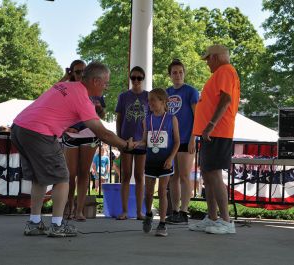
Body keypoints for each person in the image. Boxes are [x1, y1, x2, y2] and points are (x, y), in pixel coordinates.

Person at [11, 62, 139, 237]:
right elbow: (103, 133)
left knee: (38, 179)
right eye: (105, 82)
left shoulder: (65, 85)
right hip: (39, 133)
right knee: (62, 178)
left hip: (19, 128)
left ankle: (34, 223)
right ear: (95, 81)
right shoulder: (82, 98)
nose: (107, 87)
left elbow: (48, 107)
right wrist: (125, 145)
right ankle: (56, 226)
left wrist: (62, 126)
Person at [189, 44, 239, 235]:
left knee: (214, 175)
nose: (207, 62)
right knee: (208, 175)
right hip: (211, 133)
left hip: (217, 131)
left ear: (216, 57)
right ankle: (212, 217)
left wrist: (210, 125)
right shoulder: (221, 72)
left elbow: (226, 100)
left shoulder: (225, 70)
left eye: (208, 58)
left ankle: (226, 221)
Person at [59, 60, 104, 222]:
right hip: (71, 136)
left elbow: (101, 115)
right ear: (71, 73)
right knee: (70, 174)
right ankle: (68, 206)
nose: (81, 75)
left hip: (89, 135)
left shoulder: (93, 88)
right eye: (77, 72)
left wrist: (99, 110)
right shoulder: (66, 89)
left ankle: (79, 210)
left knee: (84, 173)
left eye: (84, 72)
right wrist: (65, 76)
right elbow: (52, 94)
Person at [142, 88, 180, 237]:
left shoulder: (172, 119)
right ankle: (149, 214)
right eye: (149, 100)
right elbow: (145, 140)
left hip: (166, 161)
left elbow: (177, 142)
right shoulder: (147, 119)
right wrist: (135, 143)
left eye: (153, 100)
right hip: (151, 160)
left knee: (162, 191)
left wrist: (170, 158)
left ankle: (162, 223)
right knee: (149, 192)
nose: (150, 103)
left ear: (163, 102)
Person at [165, 59, 199, 224]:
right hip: (171, 140)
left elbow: (197, 117)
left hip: (187, 139)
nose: (177, 75)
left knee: (185, 175)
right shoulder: (166, 93)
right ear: (170, 75)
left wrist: (193, 138)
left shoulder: (191, 91)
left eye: (180, 72)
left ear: (184, 73)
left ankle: (184, 212)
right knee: (173, 177)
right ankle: (175, 210)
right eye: (174, 72)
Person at [115, 66, 149, 220]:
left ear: (143, 79)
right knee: (126, 176)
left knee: (140, 176)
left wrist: (146, 138)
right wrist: (118, 139)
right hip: (126, 141)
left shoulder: (148, 96)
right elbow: (119, 119)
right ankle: (124, 211)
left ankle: (139, 212)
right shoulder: (123, 97)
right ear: (130, 78)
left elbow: (152, 118)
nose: (136, 81)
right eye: (133, 77)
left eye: (139, 78)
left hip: (142, 142)